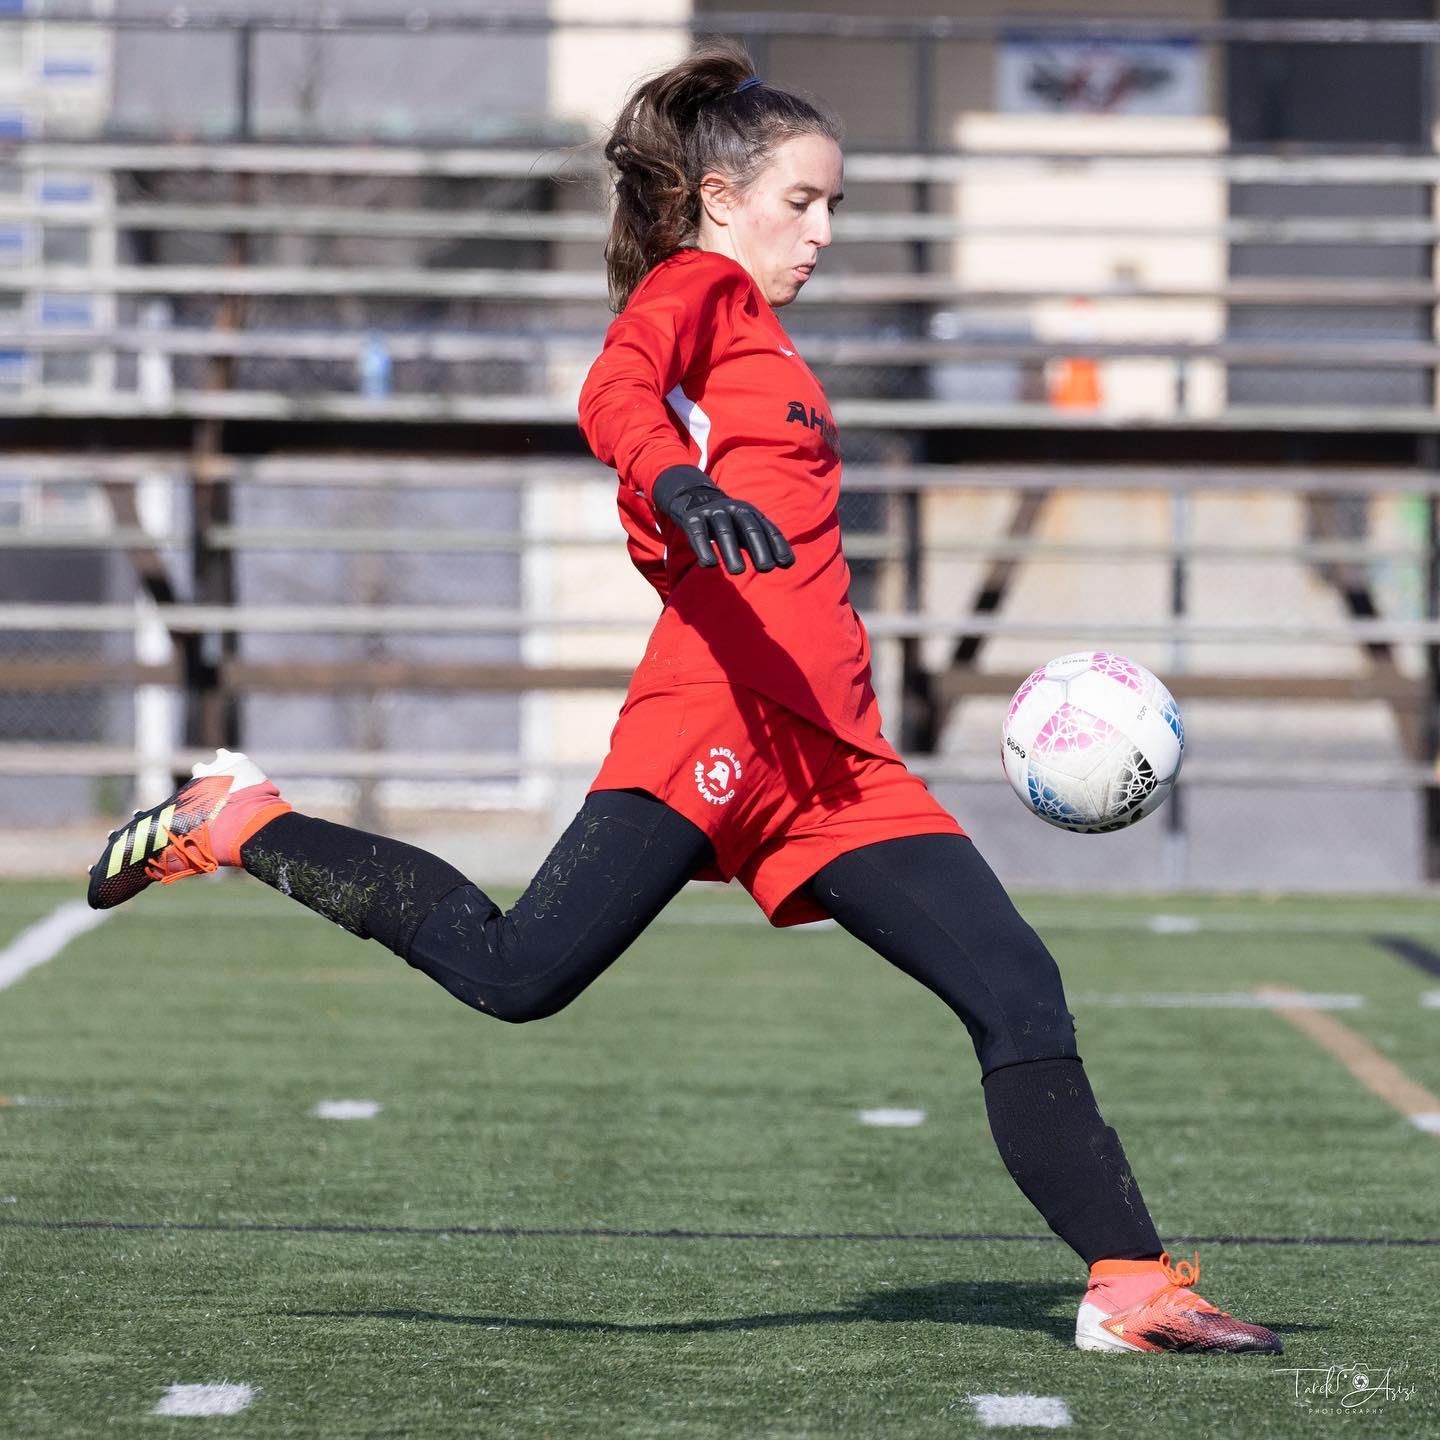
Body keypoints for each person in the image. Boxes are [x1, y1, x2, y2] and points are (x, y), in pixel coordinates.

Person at [86, 43, 1280, 1356]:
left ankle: (1129, 1284)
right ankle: (241, 819)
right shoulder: (698, 286)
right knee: (517, 973)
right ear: (719, 200)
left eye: (836, 208)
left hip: (834, 762)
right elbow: (612, 390)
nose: (822, 232)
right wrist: (677, 483)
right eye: (801, 203)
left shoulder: (766, 330)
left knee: (1015, 985)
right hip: (714, 718)